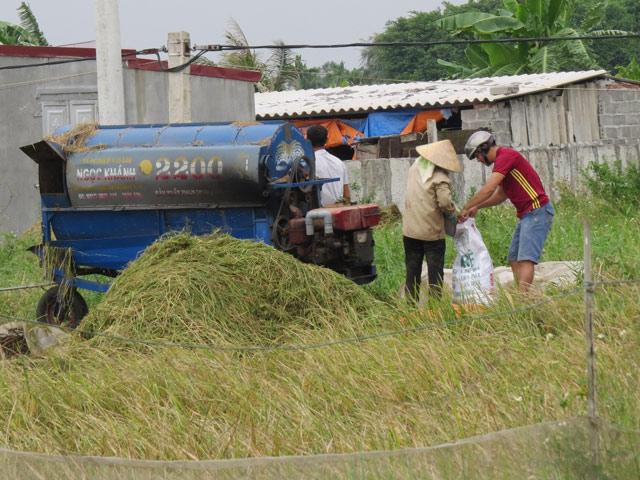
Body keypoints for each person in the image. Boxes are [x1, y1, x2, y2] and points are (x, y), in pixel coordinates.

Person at [458, 130, 555, 292]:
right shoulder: (502, 162)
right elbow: (501, 195)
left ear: (484, 147)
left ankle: (522, 300)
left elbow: (489, 189)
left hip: (537, 211)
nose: (479, 160)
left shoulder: (506, 156)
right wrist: (477, 206)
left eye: (477, 156)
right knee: (514, 258)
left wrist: (466, 207)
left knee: (525, 260)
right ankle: (523, 296)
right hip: (527, 214)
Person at [403, 139, 461, 303]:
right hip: (431, 233)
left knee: (412, 271)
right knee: (435, 273)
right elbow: (444, 203)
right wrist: (452, 214)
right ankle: (435, 308)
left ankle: (410, 307)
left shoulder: (415, 167)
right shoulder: (440, 178)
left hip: (410, 231)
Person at [307, 125, 351, 206]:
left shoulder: (308, 164)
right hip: (338, 210)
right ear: (327, 139)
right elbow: (347, 195)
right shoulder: (339, 162)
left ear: (307, 140)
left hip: (319, 213)